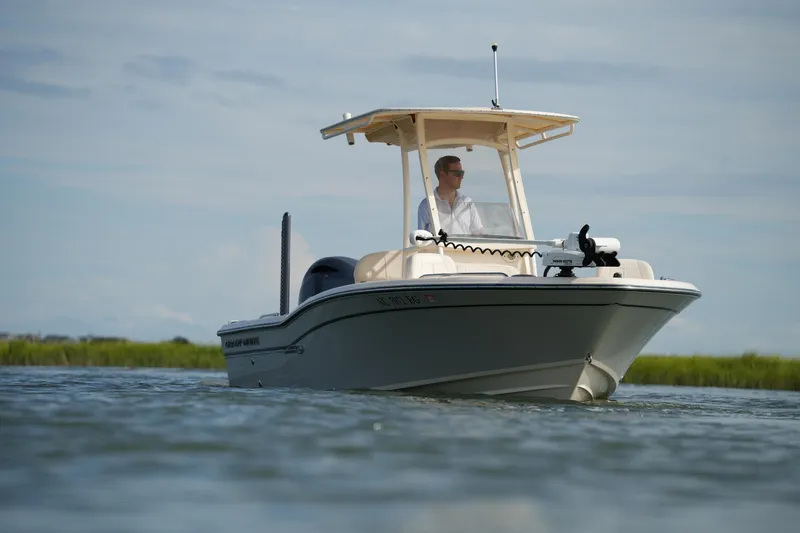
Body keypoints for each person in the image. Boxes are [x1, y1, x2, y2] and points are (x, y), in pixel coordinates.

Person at [417, 155, 484, 236]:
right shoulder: (426, 205)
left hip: (465, 249)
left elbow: (479, 235)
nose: (461, 177)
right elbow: (423, 239)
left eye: (462, 173)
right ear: (442, 174)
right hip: (439, 249)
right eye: (458, 173)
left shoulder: (467, 202)